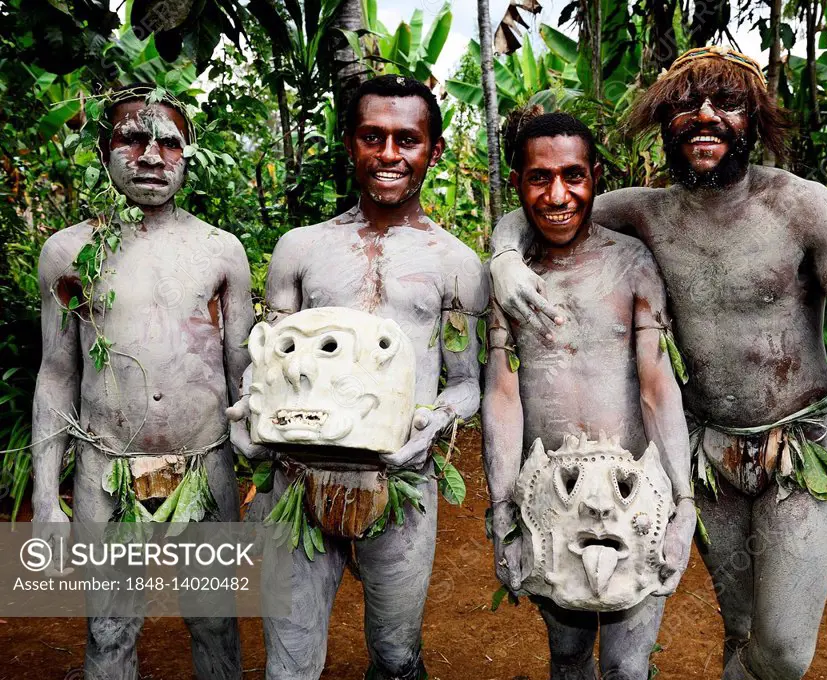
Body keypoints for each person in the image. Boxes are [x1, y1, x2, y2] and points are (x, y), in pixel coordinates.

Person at [487, 47, 827, 680]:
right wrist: (504, 257)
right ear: (662, 123)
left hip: (795, 449)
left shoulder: (802, 208)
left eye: (725, 103)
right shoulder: (644, 212)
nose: (704, 117)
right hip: (707, 453)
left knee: (782, 651)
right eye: (684, 106)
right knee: (743, 628)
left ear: (754, 120)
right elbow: (542, 201)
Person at [227, 74, 488, 680]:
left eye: (407, 139)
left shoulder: (455, 264)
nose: (389, 155)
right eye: (373, 137)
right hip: (294, 479)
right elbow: (269, 364)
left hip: (400, 486)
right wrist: (249, 417)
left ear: (434, 150)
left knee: (396, 657)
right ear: (350, 143)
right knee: (288, 665)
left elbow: (464, 382)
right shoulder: (301, 249)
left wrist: (433, 424)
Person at [32, 84, 252, 679]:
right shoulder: (69, 252)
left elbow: (244, 375)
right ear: (105, 148)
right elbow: (56, 374)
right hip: (106, 468)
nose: (152, 156)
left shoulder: (220, 251)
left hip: (205, 467)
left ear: (189, 152)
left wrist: (268, 470)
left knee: (214, 619)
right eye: (134, 138)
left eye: (169, 143)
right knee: (109, 628)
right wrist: (46, 497)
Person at [482, 111, 695, 680]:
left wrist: (683, 503)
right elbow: (502, 393)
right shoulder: (510, 277)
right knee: (568, 656)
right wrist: (504, 509)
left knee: (627, 669)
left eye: (573, 176)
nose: (557, 195)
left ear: (596, 176)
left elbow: (657, 385)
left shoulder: (631, 263)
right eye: (538, 178)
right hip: (552, 497)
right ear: (518, 183)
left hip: (634, 497)